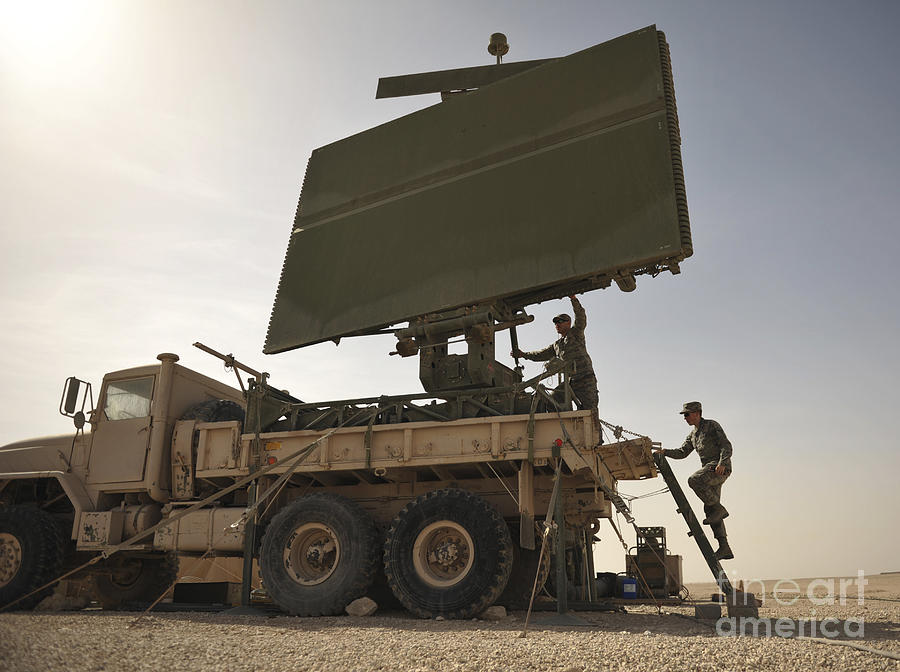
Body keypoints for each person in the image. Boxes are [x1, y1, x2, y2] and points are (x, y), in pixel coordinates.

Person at [654, 401, 734, 560]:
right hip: (709, 470)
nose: (685, 418)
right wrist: (665, 452)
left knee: (694, 480)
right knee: (710, 510)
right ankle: (724, 547)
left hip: (718, 468)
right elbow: (682, 452)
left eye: (687, 414)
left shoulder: (711, 426)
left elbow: (726, 446)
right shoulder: (693, 435)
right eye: (684, 415)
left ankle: (719, 509)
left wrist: (722, 463)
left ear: (697, 413)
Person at [511, 295, 598, 411]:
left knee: (590, 411)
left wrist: (573, 299)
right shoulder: (557, 345)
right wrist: (523, 354)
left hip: (585, 379)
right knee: (551, 400)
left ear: (568, 323)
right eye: (556, 323)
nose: (557, 324)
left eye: (560, 321)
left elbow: (581, 317)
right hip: (571, 382)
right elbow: (540, 354)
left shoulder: (576, 333)